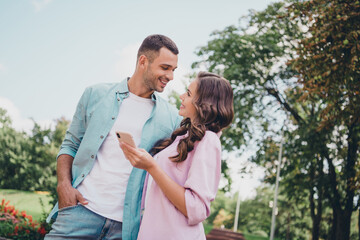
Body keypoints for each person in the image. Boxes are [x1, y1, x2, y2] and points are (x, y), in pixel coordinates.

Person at [45, 34, 182, 240]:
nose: (170, 76)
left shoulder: (171, 118)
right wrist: (64, 185)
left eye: (173, 70)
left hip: (127, 227)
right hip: (80, 212)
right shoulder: (95, 94)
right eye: (165, 68)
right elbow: (70, 145)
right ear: (143, 61)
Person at [120, 71, 234, 240]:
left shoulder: (208, 141)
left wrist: (151, 167)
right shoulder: (182, 137)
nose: (181, 96)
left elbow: (196, 209)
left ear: (203, 104)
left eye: (188, 94)